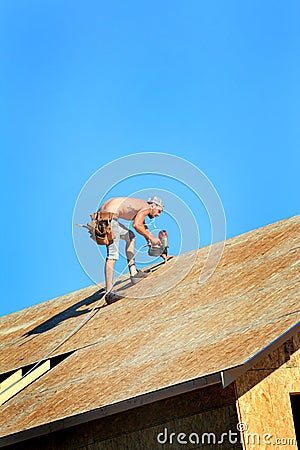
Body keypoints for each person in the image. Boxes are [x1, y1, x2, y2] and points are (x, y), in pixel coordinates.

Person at [98, 196, 164, 303]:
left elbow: (142, 226)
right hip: (109, 219)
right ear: (153, 205)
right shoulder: (146, 207)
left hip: (100, 218)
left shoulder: (140, 206)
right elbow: (137, 225)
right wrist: (152, 238)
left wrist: (149, 238)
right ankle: (109, 293)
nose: (158, 214)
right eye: (159, 211)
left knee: (131, 237)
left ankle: (134, 274)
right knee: (112, 256)